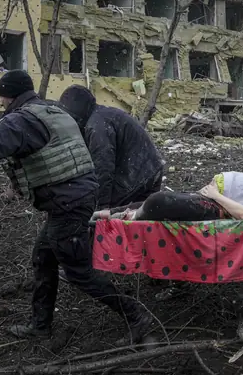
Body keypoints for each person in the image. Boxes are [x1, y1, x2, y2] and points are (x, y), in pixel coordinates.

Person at [0, 70, 152, 344]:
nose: (1, 103)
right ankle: (40, 327)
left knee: (78, 271)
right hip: (75, 196)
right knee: (44, 258)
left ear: (7, 95)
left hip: (68, 202)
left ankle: (136, 316)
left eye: (2, 98)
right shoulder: (51, 110)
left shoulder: (21, 121)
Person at [56, 85, 165, 282]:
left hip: (136, 176)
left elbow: (103, 168)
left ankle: (82, 269)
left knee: (92, 216)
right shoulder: (101, 116)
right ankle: (151, 269)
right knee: (140, 222)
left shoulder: (96, 126)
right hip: (148, 170)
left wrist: (101, 206)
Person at [97, 161, 243, 222]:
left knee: (156, 202)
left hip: (218, 203)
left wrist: (215, 195)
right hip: (215, 191)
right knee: (152, 201)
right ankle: (103, 214)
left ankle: (124, 219)